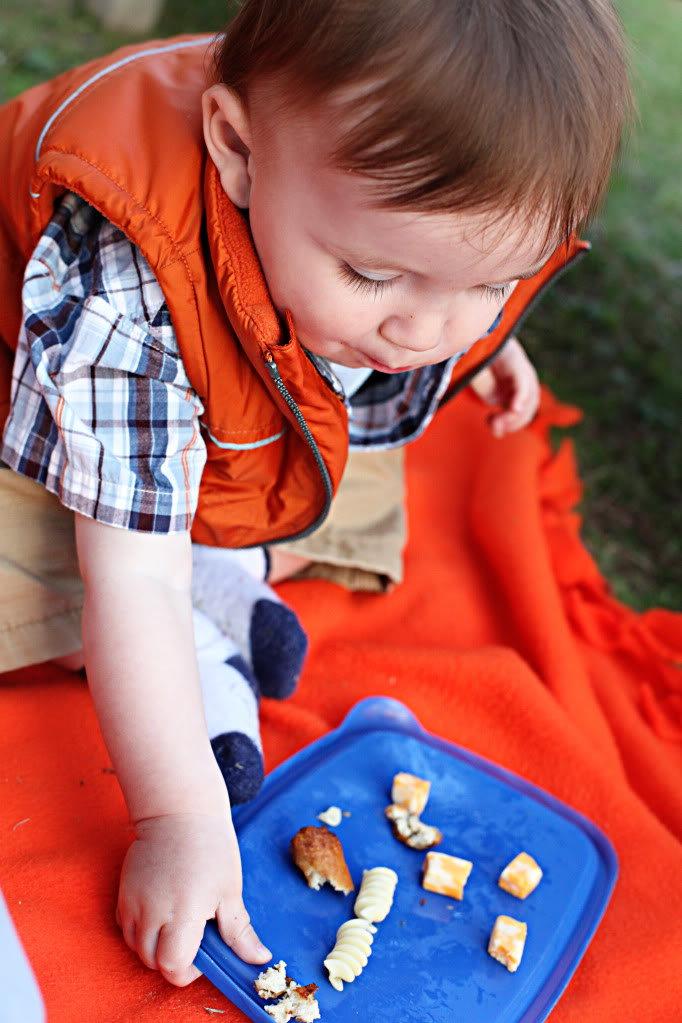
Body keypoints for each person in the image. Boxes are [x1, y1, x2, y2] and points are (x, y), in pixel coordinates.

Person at [0, 0, 631, 989]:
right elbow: (130, 574)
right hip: (54, 411)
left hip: (243, 395)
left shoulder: (387, 254)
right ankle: (207, 600)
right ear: (236, 149)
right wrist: (180, 817)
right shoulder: (125, 276)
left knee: (363, 488)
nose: (426, 335)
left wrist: (486, 327)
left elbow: (436, 284)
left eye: (488, 282)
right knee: (65, 585)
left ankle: (219, 559)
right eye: (374, 272)